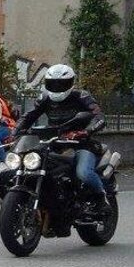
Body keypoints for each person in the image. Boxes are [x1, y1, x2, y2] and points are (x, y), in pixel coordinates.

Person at [14, 63, 108, 215]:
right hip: (54, 142)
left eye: (61, 84)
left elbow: (99, 117)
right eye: (53, 84)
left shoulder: (82, 96)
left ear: (71, 83)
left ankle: (101, 198)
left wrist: (86, 131)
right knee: (30, 163)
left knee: (83, 173)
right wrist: (15, 132)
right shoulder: (45, 98)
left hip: (81, 144)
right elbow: (29, 116)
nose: (57, 87)